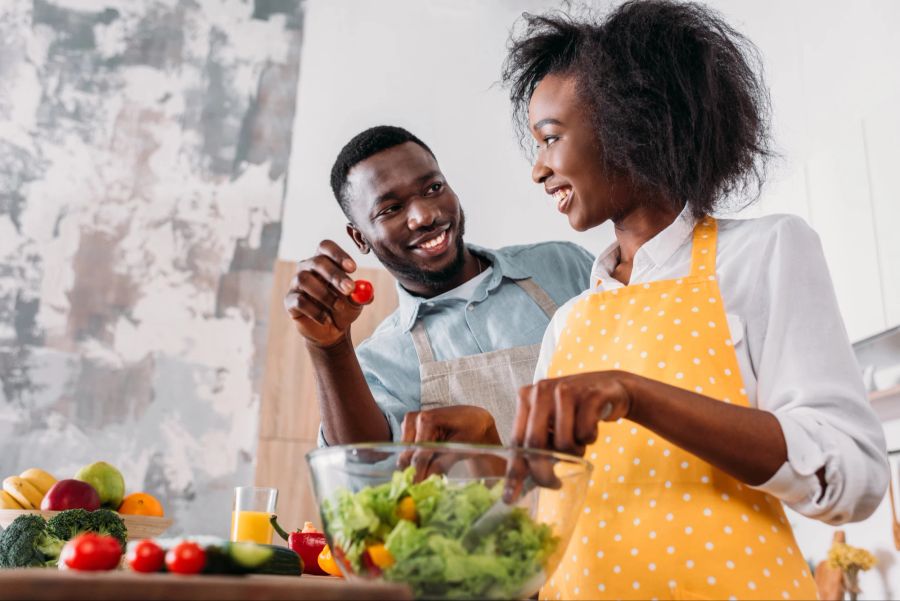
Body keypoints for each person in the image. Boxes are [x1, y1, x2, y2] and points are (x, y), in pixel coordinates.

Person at [494, 2, 889, 599]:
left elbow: (854, 476)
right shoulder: (570, 323)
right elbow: (546, 516)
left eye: (551, 138)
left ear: (635, 121)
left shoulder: (765, 253)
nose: (538, 170)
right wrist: (480, 455)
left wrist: (636, 393)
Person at [284, 125, 594, 447]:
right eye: (391, 209)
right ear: (359, 237)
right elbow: (364, 469)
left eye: (433, 188)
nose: (424, 215)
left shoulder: (564, 265)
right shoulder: (381, 362)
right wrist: (329, 349)